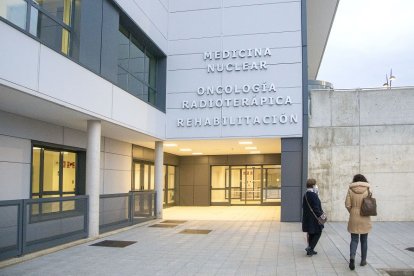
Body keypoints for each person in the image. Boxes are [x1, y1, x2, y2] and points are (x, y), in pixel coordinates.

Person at [345, 174, 372, 270]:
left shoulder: (350, 189)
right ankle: (363, 260)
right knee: (364, 240)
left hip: (354, 216)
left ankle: (352, 258)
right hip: (365, 215)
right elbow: (371, 202)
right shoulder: (368, 189)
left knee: (354, 239)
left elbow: (347, 204)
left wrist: (352, 211)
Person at [302, 178, 324, 256]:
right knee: (318, 232)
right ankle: (310, 248)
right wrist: (321, 216)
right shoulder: (313, 195)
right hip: (314, 218)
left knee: (311, 233)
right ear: (313, 185)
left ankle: (310, 250)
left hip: (308, 218)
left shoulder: (306, 194)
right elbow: (316, 208)